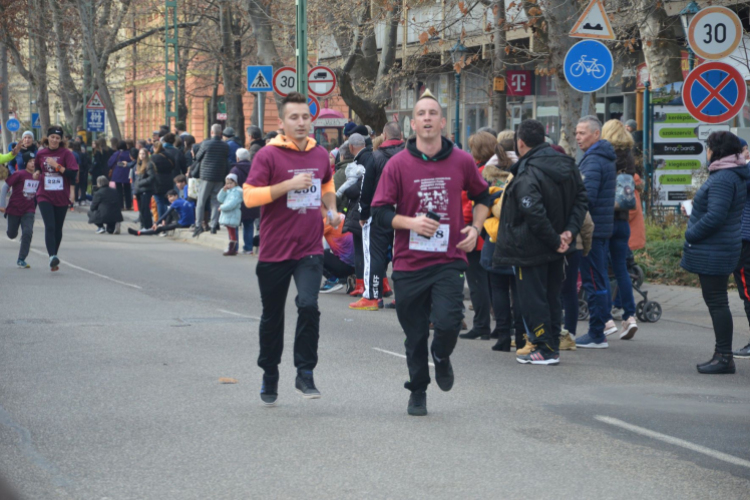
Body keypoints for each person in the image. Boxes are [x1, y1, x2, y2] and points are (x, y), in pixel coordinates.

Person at [371, 89, 491, 416]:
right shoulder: (397, 165)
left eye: (432, 113)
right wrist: (410, 222)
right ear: (413, 123)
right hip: (409, 262)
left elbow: (485, 198)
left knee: (450, 321)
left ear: (441, 122)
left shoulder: (462, 160)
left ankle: (441, 355)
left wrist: (476, 228)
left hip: (448, 259)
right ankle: (418, 390)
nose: (427, 118)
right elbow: (380, 212)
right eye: (421, 113)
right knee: (414, 334)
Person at [242, 92, 341, 406]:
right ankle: (270, 373)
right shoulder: (268, 156)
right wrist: (287, 185)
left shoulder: (319, 153)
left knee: (309, 305)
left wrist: (332, 209)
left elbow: (326, 184)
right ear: (282, 122)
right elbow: (249, 197)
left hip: (309, 247)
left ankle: (305, 372)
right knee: (272, 317)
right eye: (294, 118)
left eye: (305, 117)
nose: (301, 123)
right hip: (274, 250)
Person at [494, 119, 588, 365]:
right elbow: (581, 199)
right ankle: (550, 344)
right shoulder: (567, 164)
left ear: (520, 143)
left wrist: (555, 238)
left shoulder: (528, 170)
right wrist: (569, 231)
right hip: (557, 244)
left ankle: (544, 347)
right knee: (552, 296)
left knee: (533, 298)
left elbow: (532, 210)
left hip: (531, 246)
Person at [680, 131, 748, 374]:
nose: (706, 152)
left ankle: (723, 357)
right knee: (719, 302)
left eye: (708, 147)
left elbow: (716, 216)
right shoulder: (735, 174)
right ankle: (723, 355)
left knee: (718, 303)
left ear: (716, 150)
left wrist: (691, 233)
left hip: (715, 249)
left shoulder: (723, 178)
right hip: (723, 246)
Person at [574, 115, 618, 348]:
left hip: (592, 231)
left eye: (582, 133)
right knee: (598, 279)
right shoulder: (601, 157)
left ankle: (596, 333)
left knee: (594, 282)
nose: (577, 137)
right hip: (600, 229)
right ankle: (598, 329)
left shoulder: (593, 160)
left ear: (596, 134)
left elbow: (585, 197)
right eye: (576, 133)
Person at [352, 122, 403, 309]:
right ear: (402, 135)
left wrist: (363, 213)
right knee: (402, 253)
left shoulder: (375, 157)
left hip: (379, 211)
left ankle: (373, 296)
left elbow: (366, 188)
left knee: (375, 254)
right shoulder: (410, 156)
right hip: (404, 212)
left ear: (384, 135)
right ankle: (402, 296)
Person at [480, 144, 525, 351]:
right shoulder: (524, 172)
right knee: (519, 290)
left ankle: (503, 335)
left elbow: (479, 205)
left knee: (498, 289)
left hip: (494, 240)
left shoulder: (487, 176)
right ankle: (521, 335)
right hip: (518, 239)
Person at [601, 119, 639, 339]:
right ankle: (630, 316)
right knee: (621, 268)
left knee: (603, 270)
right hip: (623, 219)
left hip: (606, 217)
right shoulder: (629, 157)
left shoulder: (606, 155)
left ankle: (606, 318)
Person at [459, 131, 496, 340]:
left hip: (474, 230)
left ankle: (482, 325)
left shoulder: (479, 171)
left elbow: (469, 205)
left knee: (477, 282)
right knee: (487, 282)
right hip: (487, 231)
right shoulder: (492, 170)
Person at [33, 126, 79, 271]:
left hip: (61, 195)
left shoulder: (66, 154)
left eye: (57, 138)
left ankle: (54, 256)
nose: (54, 140)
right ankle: (52, 256)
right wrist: (36, 173)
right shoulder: (41, 153)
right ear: (48, 138)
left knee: (58, 228)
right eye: (52, 137)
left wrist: (57, 166)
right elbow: (37, 168)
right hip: (44, 194)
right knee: (50, 226)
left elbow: (73, 174)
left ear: (61, 140)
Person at [0, 151, 38, 268]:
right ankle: (13, 232)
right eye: (30, 162)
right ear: (25, 163)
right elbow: (5, 187)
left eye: (34, 162)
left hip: (29, 209)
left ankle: (21, 258)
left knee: (27, 232)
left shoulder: (38, 176)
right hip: (14, 208)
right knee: (12, 234)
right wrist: (2, 204)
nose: (33, 164)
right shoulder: (19, 174)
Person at [340, 134, 366, 298]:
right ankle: (378, 284)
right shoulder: (371, 159)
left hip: (360, 212)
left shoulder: (359, 164)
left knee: (361, 251)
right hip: (368, 211)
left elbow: (352, 189)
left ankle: (361, 284)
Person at [193, 124, 230, 236]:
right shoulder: (225, 146)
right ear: (221, 133)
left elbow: (197, 157)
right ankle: (214, 225)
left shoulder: (205, 144)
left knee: (201, 201)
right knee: (216, 201)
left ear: (211, 132)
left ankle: (198, 225)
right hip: (219, 176)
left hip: (206, 176)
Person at [230, 148, 261, 255]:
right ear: (248, 158)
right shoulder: (256, 169)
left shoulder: (234, 170)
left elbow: (230, 187)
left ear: (237, 158)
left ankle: (234, 247)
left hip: (238, 202)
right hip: (252, 200)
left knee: (234, 225)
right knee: (249, 224)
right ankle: (248, 248)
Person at [128, 189, 195, 236]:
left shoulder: (176, 202)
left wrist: (156, 223)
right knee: (171, 211)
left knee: (160, 228)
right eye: (168, 198)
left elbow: (166, 213)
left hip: (184, 223)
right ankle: (165, 226)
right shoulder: (182, 200)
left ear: (176, 196)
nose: (170, 199)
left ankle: (139, 233)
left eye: (171, 196)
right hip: (190, 222)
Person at [321, 211, 356, 293]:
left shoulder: (327, 221)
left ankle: (333, 279)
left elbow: (309, 239)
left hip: (345, 266)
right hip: (358, 265)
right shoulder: (341, 215)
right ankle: (351, 277)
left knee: (313, 253)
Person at [217, 173, 243, 256]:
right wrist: (223, 190)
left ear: (235, 182)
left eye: (231, 183)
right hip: (228, 214)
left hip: (232, 213)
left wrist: (222, 207)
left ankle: (232, 248)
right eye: (227, 183)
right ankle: (232, 247)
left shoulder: (237, 191)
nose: (229, 185)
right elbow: (220, 199)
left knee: (232, 232)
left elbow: (232, 203)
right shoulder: (229, 190)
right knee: (231, 231)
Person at [151, 142, 175, 220]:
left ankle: (161, 220)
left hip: (157, 182)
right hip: (169, 180)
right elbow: (174, 166)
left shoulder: (153, 157)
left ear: (154, 148)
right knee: (167, 201)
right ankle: (169, 219)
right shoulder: (170, 156)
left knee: (159, 201)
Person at [134, 148, 155, 230]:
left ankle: (147, 226)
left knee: (145, 209)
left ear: (146, 155)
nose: (141, 156)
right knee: (141, 209)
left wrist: (141, 183)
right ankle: (143, 225)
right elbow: (136, 180)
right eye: (140, 154)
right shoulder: (138, 164)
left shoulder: (149, 164)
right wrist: (135, 192)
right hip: (139, 190)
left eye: (143, 154)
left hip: (146, 189)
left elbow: (151, 177)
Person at [107, 141, 133, 210]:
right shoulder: (129, 153)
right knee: (127, 189)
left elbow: (110, 163)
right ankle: (128, 205)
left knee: (119, 190)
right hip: (127, 173)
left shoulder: (116, 153)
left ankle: (120, 205)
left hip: (118, 173)